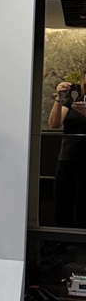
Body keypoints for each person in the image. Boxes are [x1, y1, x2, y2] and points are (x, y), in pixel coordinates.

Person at [48, 74, 86, 228]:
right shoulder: (74, 98)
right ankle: (62, 240)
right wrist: (60, 97)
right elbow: (54, 123)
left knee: (83, 209)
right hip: (67, 158)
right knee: (62, 206)